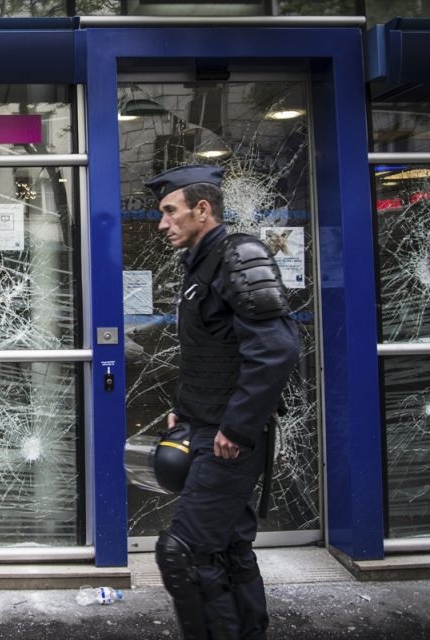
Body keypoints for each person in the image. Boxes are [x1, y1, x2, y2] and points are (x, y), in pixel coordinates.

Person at [144, 165, 300, 640]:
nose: (162, 223)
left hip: (228, 440)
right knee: (228, 550)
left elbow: (275, 349)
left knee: (183, 552)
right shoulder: (201, 265)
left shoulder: (239, 255)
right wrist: (186, 408)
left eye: (170, 211)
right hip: (206, 426)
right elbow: (214, 350)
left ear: (202, 209)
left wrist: (237, 427)